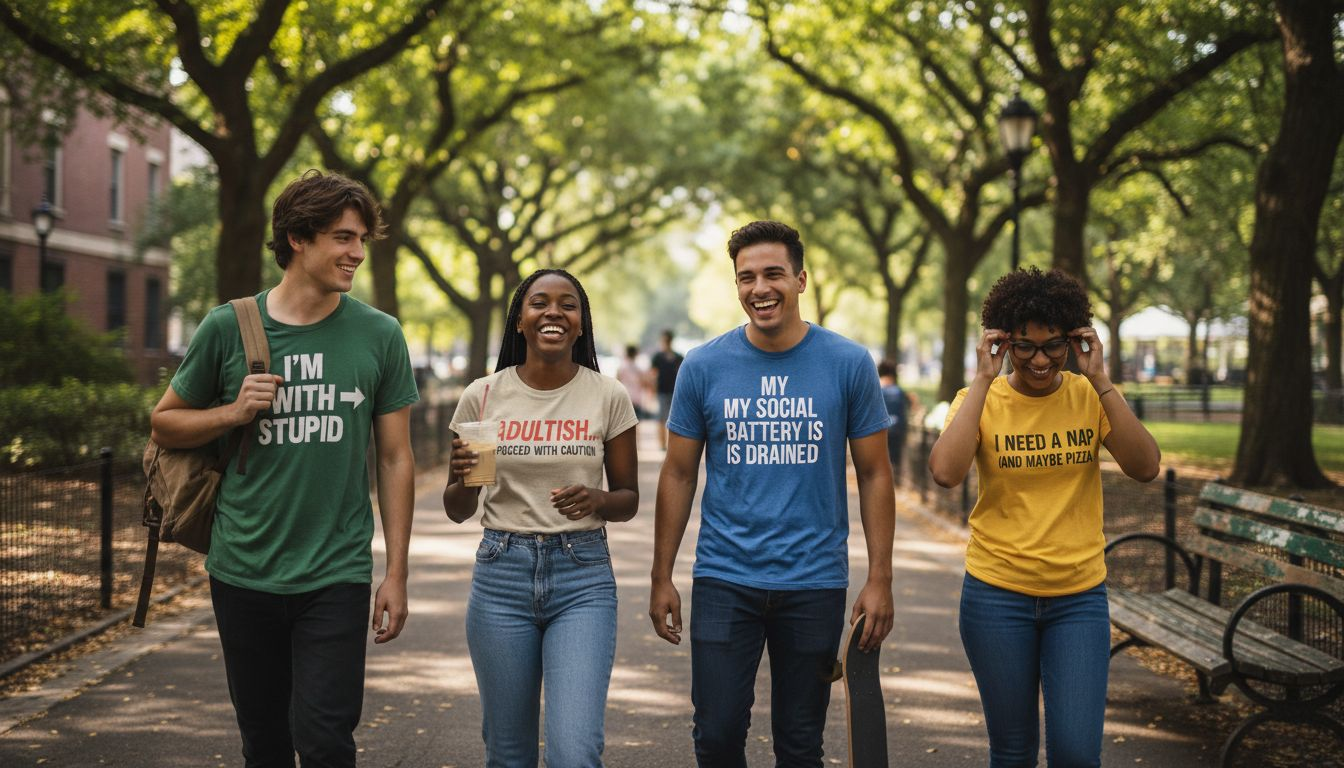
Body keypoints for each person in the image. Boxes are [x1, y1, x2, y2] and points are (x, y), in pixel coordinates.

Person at [149, 169, 418, 766]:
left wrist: (395, 571)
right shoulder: (228, 325)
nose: (356, 253)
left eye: (361, 241)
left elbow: (397, 458)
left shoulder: (380, 335)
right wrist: (230, 412)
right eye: (343, 238)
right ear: (298, 237)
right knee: (264, 742)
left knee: (325, 739)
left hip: (336, 570)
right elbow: (164, 423)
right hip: (243, 567)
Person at [648, 220, 895, 767]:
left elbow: (876, 473)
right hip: (723, 578)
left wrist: (880, 578)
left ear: (801, 279)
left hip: (814, 581)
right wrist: (661, 574)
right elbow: (679, 473)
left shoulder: (848, 363)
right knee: (714, 735)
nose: (760, 288)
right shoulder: (704, 366)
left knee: (801, 743)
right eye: (746, 277)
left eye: (773, 274)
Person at [928, 267, 1161, 768]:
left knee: (1077, 754)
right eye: (1024, 347)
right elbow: (945, 472)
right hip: (996, 596)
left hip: (1077, 599)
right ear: (1003, 342)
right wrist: (982, 379)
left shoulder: (1087, 397)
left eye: (1053, 346)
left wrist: (1099, 379)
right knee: (1012, 751)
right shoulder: (979, 401)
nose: (1039, 360)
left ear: (1073, 339)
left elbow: (1145, 467)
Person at [443, 268, 639, 767]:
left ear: (581, 323)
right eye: (539, 303)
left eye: (567, 304)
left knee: (575, 752)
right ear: (519, 322)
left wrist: (597, 499)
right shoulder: (483, 396)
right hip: (500, 574)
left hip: (583, 577)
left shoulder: (607, 395)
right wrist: (464, 478)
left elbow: (629, 500)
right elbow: (459, 509)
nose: (553, 312)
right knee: (508, 754)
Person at [877, 359, 912, 483]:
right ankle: (895, 481)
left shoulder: (877, 389)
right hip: (898, 429)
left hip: (880, 429)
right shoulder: (899, 392)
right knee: (895, 459)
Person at [650, 328, 683, 450]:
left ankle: (670, 445)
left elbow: (682, 375)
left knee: (674, 419)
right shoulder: (657, 357)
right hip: (662, 392)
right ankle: (662, 444)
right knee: (661, 419)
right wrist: (653, 390)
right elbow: (653, 375)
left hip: (675, 392)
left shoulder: (678, 357)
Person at [617, 343, 652, 421]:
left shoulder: (621, 367)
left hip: (625, 398)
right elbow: (644, 383)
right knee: (636, 423)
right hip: (636, 399)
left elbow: (617, 382)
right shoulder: (638, 369)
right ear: (635, 354)